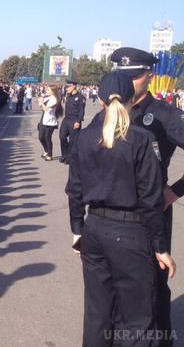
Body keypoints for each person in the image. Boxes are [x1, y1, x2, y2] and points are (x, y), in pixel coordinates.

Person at [66, 70, 176, 347]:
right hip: (131, 232)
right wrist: (161, 247)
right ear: (130, 99)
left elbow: (74, 190)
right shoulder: (140, 139)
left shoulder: (85, 137)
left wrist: (77, 229)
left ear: (100, 100)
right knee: (137, 321)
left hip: (94, 230)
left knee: (97, 315)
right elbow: (151, 200)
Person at [111, 47, 184, 345]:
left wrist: (174, 191)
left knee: (152, 287)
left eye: (135, 77)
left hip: (150, 214)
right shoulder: (109, 111)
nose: (128, 83)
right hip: (111, 217)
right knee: (114, 287)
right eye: (122, 76)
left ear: (149, 76)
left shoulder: (165, 115)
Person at [59, 80, 85, 164]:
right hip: (67, 119)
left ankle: (69, 158)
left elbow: (81, 110)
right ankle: (64, 155)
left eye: (68, 87)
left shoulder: (80, 97)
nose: (66, 89)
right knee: (62, 137)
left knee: (72, 140)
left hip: (75, 120)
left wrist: (78, 121)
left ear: (73, 86)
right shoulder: (68, 96)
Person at [38, 85, 62, 160]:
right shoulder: (48, 98)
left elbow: (46, 109)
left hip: (50, 121)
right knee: (41, 137)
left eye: (48, 90)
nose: (46, 91)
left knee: (47, 138)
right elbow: (40, 106)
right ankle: (46, 150)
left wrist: (41, 103)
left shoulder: (55, 100)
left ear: (53, 91)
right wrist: (40, 101)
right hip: (43, 119)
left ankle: (50, 155)